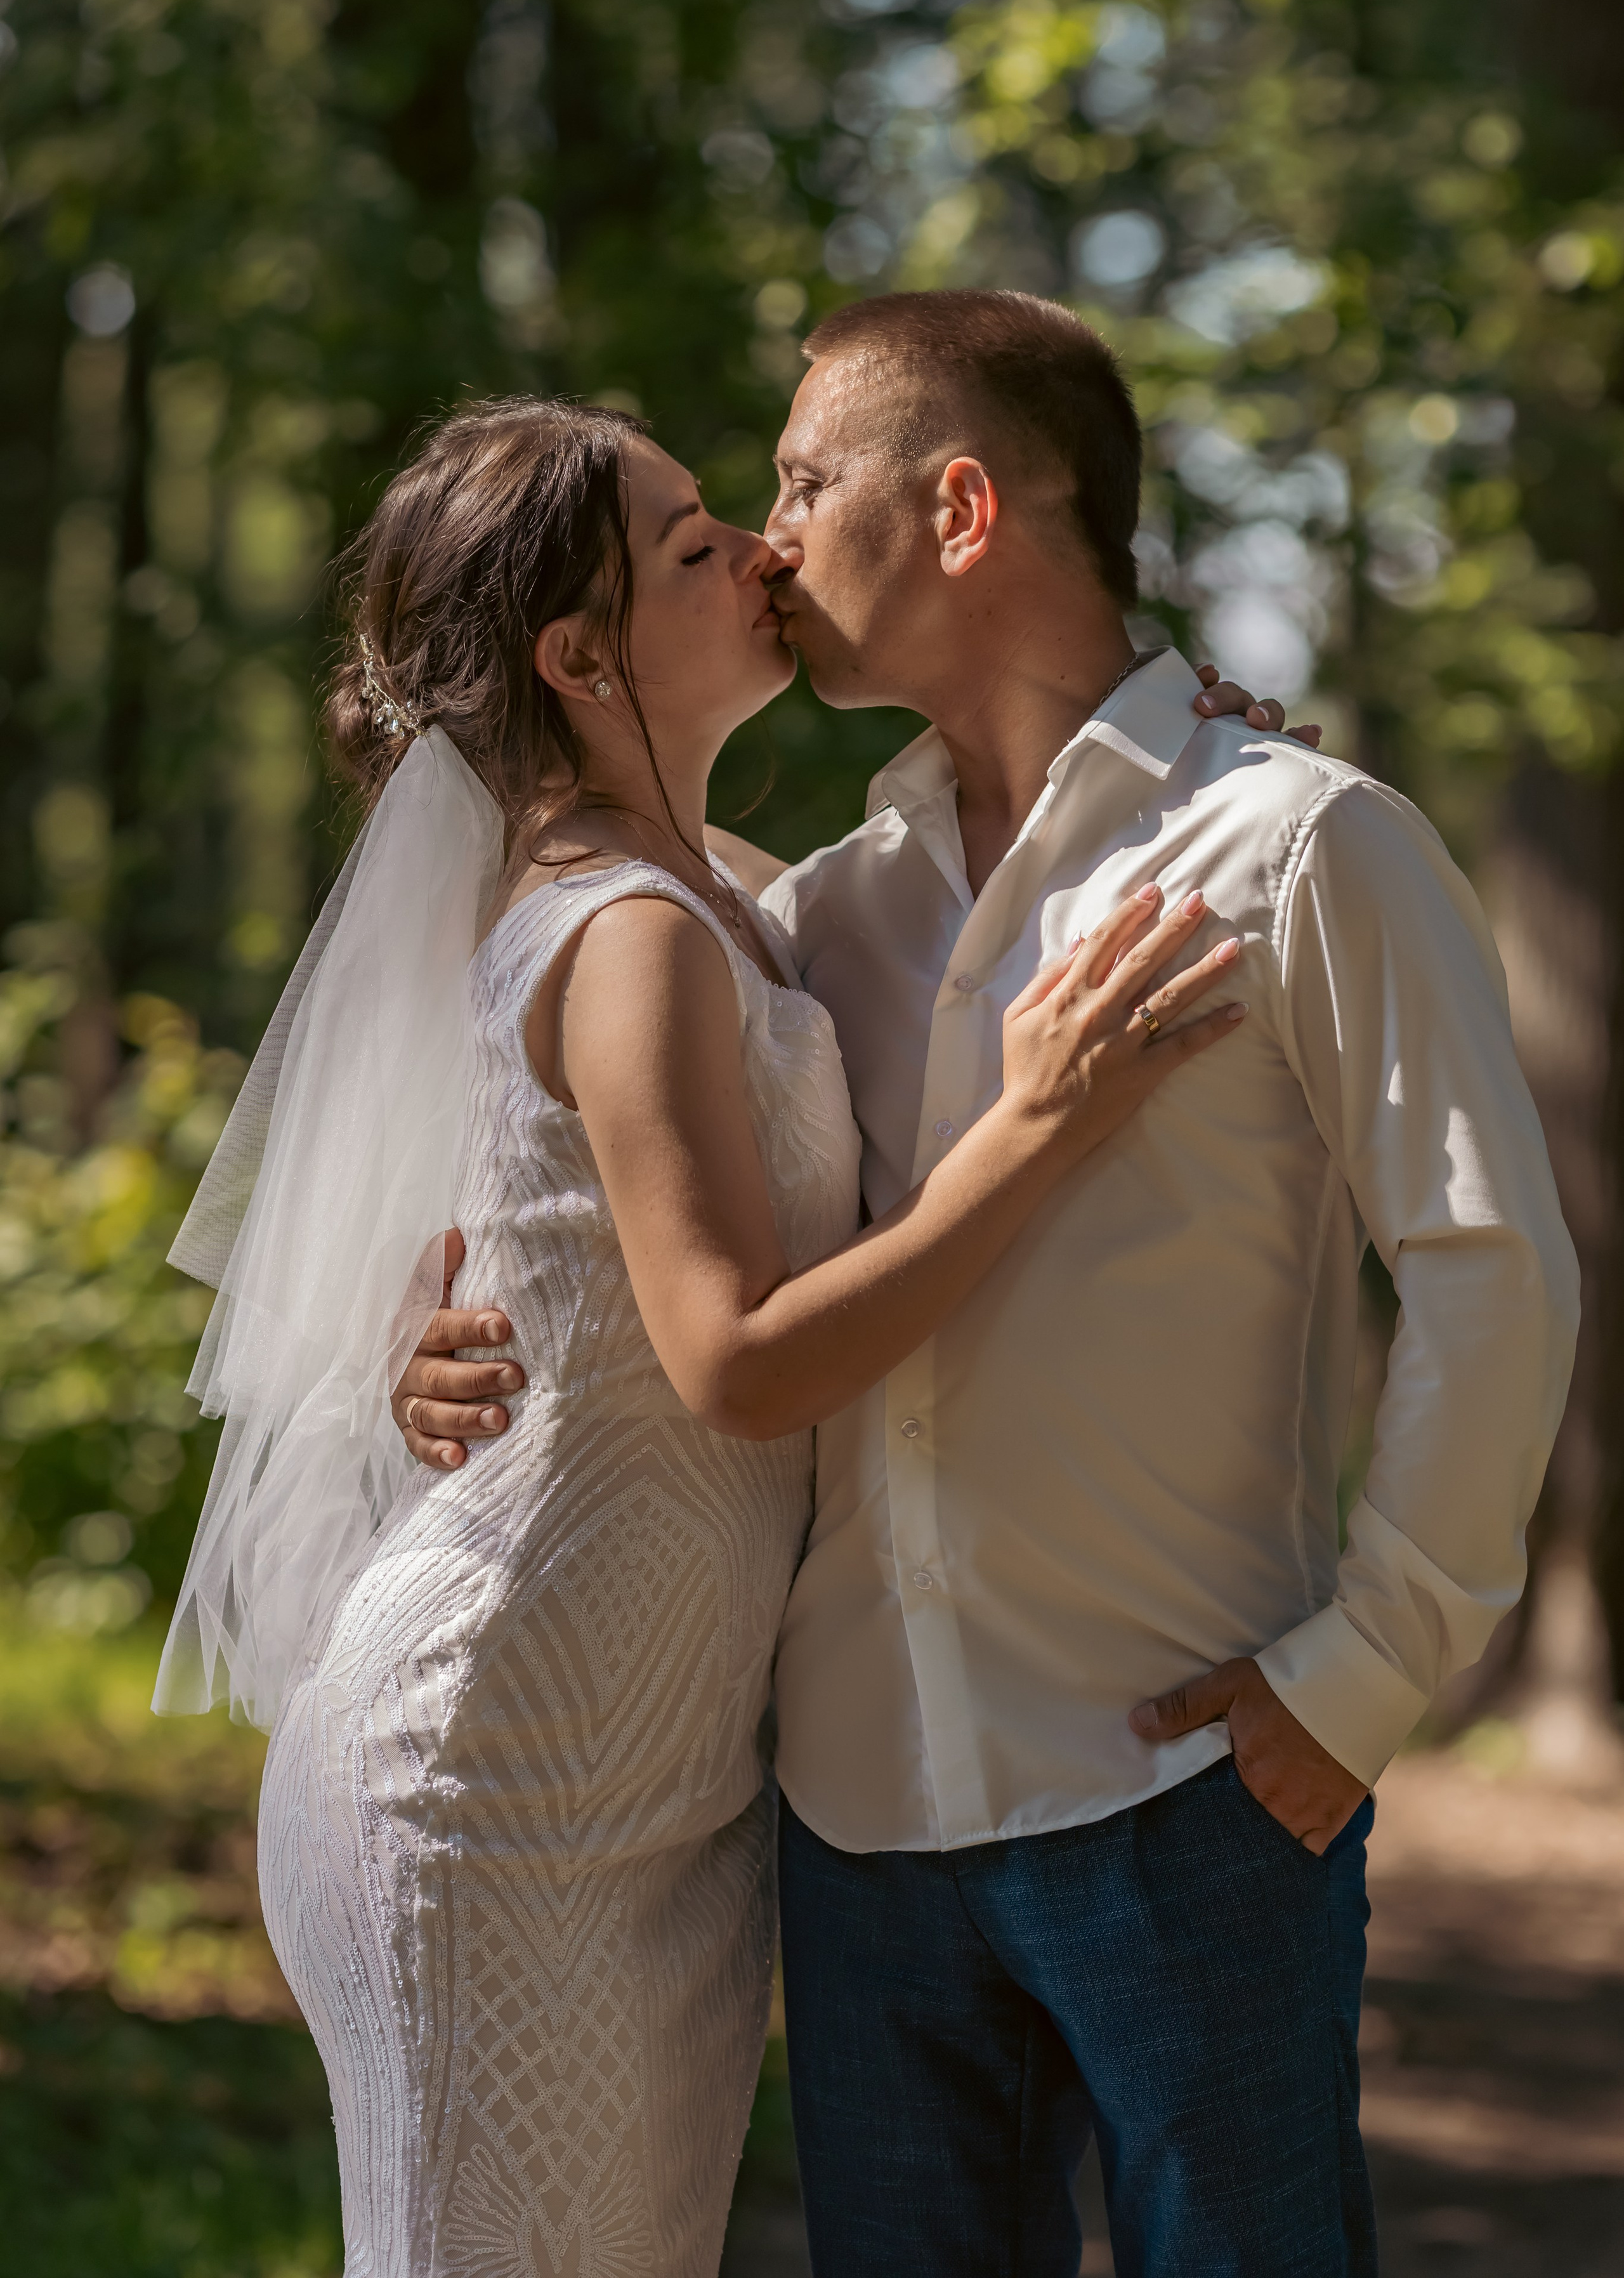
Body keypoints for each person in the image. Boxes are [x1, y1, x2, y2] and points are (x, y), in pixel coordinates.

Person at [396, 294, 1579, 2278]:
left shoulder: (1301, 849)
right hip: (859, 1823)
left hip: (1192, 1791)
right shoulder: (808, 918)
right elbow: (588, 1180)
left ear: (956, 511)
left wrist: (1365, 1678)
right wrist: (426, 1341)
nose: (766, 543)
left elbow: (1491, 1272)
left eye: (800, 482)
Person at [156, 393, 1290, 2278]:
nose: (763, 552)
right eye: (696, 544)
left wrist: (1206, 759)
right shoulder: (630, 932)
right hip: (501, 1769)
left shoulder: (742, 898)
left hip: (663, 1785)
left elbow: (503, 1212)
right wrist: (1036, 1124)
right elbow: (737, 1360)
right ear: (580, 657)